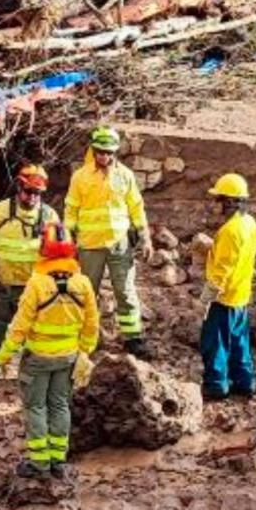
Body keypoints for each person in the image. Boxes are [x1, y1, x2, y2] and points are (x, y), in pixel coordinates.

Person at [0, 223, 100, 479]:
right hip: (68, 357)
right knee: (61, 405)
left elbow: (20, 325)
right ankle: (58, 461)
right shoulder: (83, 283)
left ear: (43, 250)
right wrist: (85, 351)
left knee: (36, 407)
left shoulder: (37, 284)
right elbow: (92, 322)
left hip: (38, 359)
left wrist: (4, 355)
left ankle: (39, 464)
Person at [63, 126, 153, 358]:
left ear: (115, 152)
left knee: (125, 291)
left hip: (119, 243)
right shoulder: (80, 177)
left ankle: (133, 338)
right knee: (86, 292)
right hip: (90, 245)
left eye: (109, 152)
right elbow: (71, 209)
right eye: (100, 151)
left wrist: (145, 237)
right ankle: (83, 337)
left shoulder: (125, 176)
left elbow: (136, 207)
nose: (104, 156)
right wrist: (67, 238)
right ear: (93, 150)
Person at [0, 164, 63, 386]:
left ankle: (31, 374)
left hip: (35, 288)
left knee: (35, 333)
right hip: (4, 285)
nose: (32, 198)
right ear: (19, 188)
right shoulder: (0, 212)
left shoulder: (49, 216)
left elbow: (60, 249)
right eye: (29, 192)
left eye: (37, 194)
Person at [197, 173, 256, 401]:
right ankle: (245, 382)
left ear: (230, 201)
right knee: (239, 341)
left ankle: (216, 385)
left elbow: (222, 270)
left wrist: (206, 298)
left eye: (219, 199)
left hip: (223, 298)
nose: (216, 205)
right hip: (241, 295)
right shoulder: (249, 223)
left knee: (215, 343)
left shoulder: (229, 231)